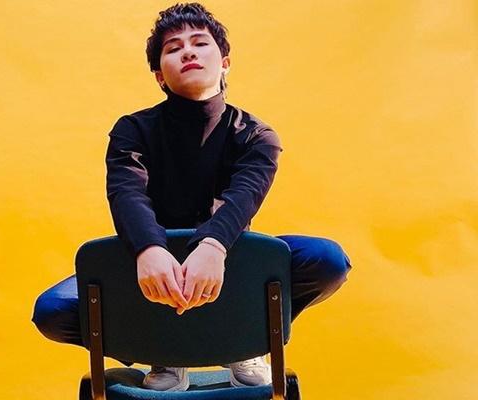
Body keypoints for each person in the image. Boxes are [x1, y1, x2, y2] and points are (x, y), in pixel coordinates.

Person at [32, 2, 352, 392]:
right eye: (173, 47)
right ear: (159, 76)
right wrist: (149, 249)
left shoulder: (256, 135)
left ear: (225, 62)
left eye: (200, 43)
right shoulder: (133, 129)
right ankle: (165, 346)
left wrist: (213, 246)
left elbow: (241, 199)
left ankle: (245, 338)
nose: (188, 52)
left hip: (229, 261)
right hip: (150, 268)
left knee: (327, 259)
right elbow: (127, 193)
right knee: (53, 310)